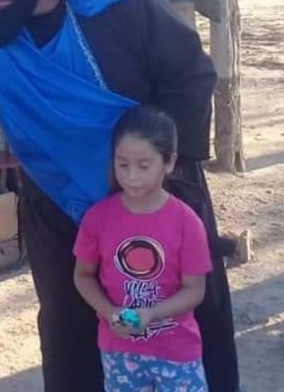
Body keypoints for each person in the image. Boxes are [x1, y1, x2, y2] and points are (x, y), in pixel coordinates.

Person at [0, 0, 241, 391]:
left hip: (158, 201)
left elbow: (190, 80)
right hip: (59, 207)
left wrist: (154, 178)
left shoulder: (122, 1)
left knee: (185, 321)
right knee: (71, 332)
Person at [74, 106, 212, 392]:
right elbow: (83, 275)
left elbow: (194, 290)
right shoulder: (98, 218)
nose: (132, 176)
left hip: (177, 351)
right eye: (122, 165)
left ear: (169, 162)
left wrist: (151, 314)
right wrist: (109, 311)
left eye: (144, 165)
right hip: (119, 352)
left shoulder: (187, 222)